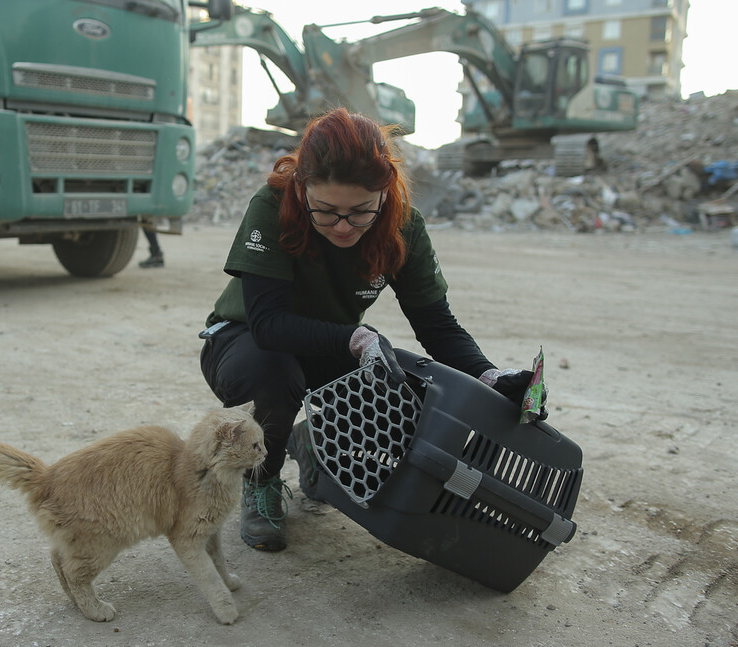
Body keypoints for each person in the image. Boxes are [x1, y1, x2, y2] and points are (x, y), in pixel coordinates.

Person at [199, 108, 546, 552]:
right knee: (273, 372)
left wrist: (490, 378)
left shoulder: (403, 228)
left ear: (385, 193)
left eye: (360, 212)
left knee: (415, 393)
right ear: (303, 189)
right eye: (325, 211)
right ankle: (261, 482)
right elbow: (269, 325)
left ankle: (314, 445)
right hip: (245, 342)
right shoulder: (273, 206)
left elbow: (436, 325)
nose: (342, 226)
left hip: (327, 346)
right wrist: (356, 338)